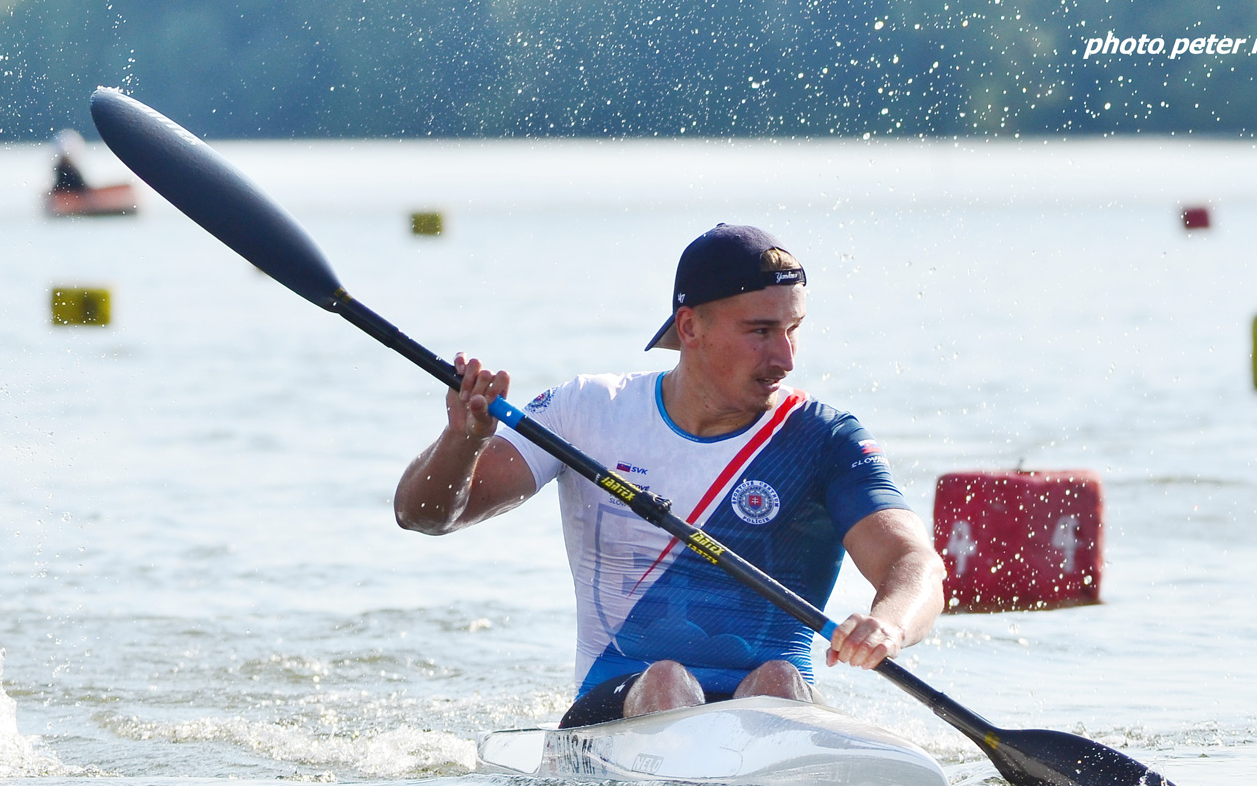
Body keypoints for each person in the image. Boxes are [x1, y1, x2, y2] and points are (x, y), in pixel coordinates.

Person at [394, 224, 945, 727]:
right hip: (617, 702)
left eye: (793, 330)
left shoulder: (823, 439)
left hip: (776, 709)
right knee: (667, 680)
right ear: (690, 327)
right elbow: (423, 515)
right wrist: (462, 442)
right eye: (760, 331)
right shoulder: (585, 411)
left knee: (777, 678)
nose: (785, 357)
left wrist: (889, 625)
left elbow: (913, 562)